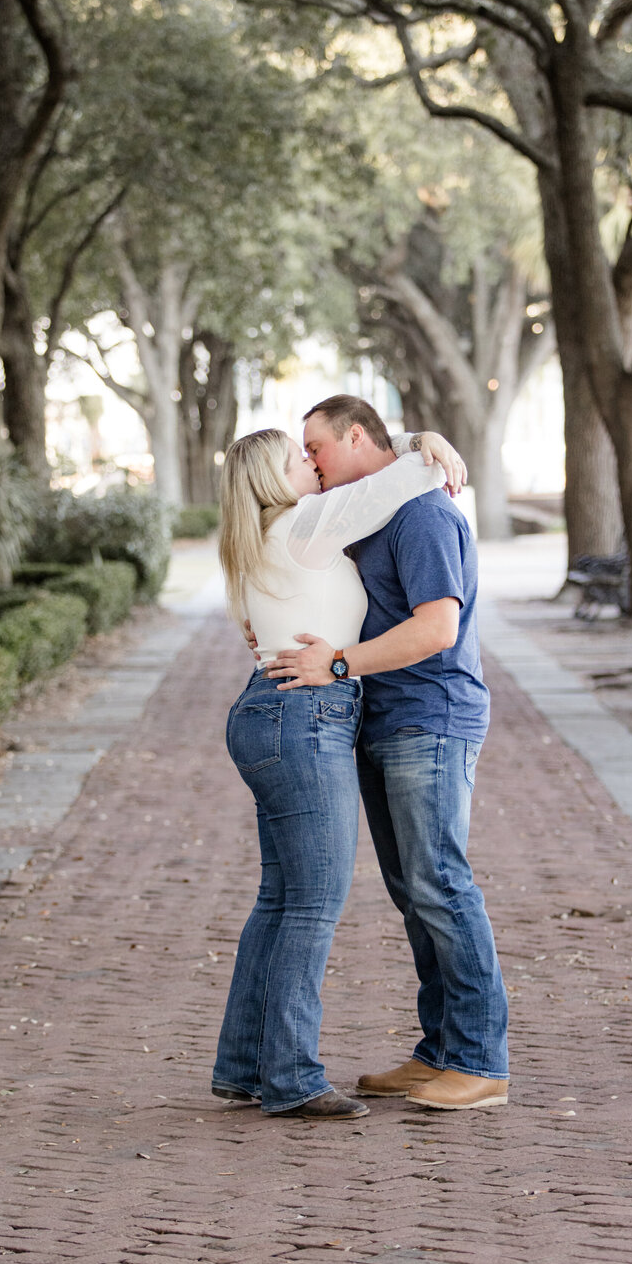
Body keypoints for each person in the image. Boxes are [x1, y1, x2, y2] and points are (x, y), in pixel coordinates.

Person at [213, 425, 466, 1120]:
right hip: (306, 716)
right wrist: (426, 446)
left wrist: (417, 438)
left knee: (280, 897)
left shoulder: (253, 541)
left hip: (271, 713)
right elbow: (386, 487)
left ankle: (244, 1065)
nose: (313, 464)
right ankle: (291, 1075)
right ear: (272, 481)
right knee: (311, 902)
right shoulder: (302, 525)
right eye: (299, 458)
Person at [269, 394, 508, 1112]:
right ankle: (438, 1050)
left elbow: (437, 627)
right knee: (415, 894)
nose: (309, 460)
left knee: (441, 884)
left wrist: (338, 664)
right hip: (387, 721)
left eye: (316, 446)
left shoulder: (425, 512)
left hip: (430, 719)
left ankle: (479, 1059)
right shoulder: (378, 505)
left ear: (353, 435)